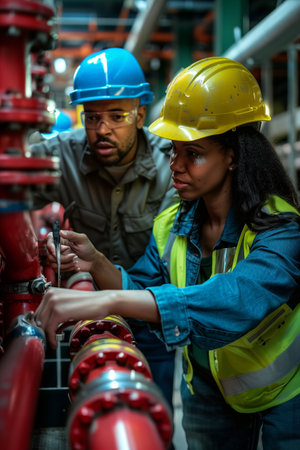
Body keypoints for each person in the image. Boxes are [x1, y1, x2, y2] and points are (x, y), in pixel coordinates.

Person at [35, 56, 300, 450]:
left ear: (233, 155)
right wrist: (98, 264)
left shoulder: (281, 227)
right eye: (173, 151)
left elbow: (239, 300)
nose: (174, 165)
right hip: (207, 388)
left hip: (285, 394)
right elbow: (143, 285)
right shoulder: (173, 224)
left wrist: (106, 299)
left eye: (192, 154)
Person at [31, 48, 178, 415]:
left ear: (141, 114)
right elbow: (12, 169)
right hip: (87, 311)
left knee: (153, 415)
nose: (102, 129)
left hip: (150, 315)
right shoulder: (62, 155)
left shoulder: (172, 168)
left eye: (117, 116)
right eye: (92, 117)